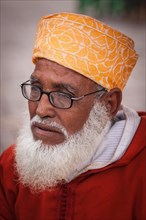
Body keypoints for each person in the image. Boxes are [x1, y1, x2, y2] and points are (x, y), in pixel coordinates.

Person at [0, 12, 145, 220]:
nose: (41, 110)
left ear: (108, 104)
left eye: (63, 95)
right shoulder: (11, 166)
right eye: (35, 88)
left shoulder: (140, 173)